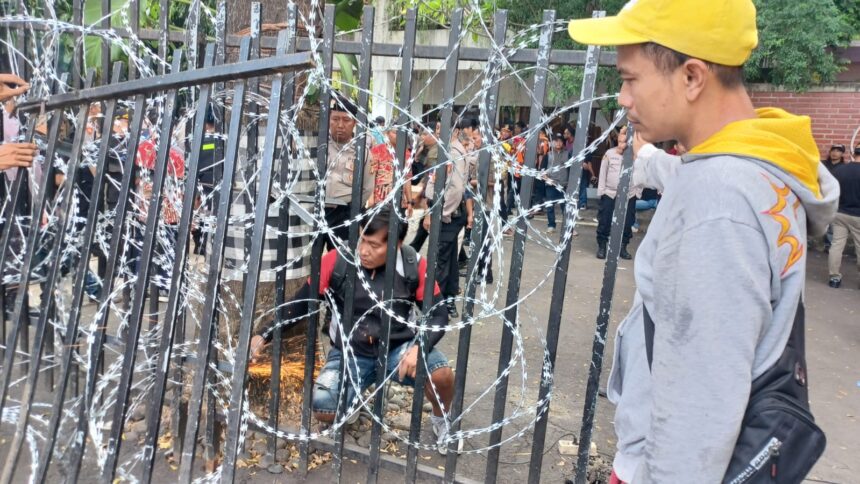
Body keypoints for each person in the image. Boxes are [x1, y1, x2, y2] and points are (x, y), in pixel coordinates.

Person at [568, 0, 839, 482]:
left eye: (630, 79)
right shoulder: (757, 169)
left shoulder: (718, 204)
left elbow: (699, 406)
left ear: (692, 76)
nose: (622, 98)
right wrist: (648, 156)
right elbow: (684, 175)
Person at [248, 208, 459, 454]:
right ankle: (353, 395)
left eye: (373, 245)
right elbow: (299, 304)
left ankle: (441, 418)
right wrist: (264, 334)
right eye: (362, 241)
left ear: (396, 244)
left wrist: (418, 347)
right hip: (350, 353)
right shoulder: (337, 261)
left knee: (442, 375)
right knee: (325, 409)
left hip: (398, 350)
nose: (364, 251)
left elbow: (439, 313)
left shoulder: (412, 264)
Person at [411, 116, 470, 318]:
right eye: (437, 127)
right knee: (450, 258)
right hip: (449, 212)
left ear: (455, 131)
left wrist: (438, 213)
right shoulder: (448, 149)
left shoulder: (452, 152)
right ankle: (449, 300)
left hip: (448, 214)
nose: (438, 131)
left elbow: (455, 189)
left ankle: (435, 306)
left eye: (443, 127)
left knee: (440, 261)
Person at [324, 94, 374, 251]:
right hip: (315, 210)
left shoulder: (362, 153)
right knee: (311, 261)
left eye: (346, 120)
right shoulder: (319, 146)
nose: (340, 125)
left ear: (354, 123)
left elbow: (367, 188)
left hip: (344, 214)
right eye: (335, 119)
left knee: (340, 262)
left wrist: (351, 209)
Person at [595, 125, 638, 260]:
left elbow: (641, 174)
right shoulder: (609, 154)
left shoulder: (635, 156)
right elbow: (603, 172)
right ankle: (602, 246)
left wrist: (638, 192)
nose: (621, 145)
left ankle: (623, 247)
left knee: (627, 222)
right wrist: (601, 191)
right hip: (609, 193)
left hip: (629, 194)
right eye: (619, 142)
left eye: (624, 143)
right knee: (605, 220)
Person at [827, 160, 860, 288]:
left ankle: (834, 278)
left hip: (840, 213)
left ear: (853, 154)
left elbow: (830, 190)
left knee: (836, 245)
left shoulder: (840, 170)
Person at [544, 133, 572, 235]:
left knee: (565, 206)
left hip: (564, 184)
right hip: (551, 184)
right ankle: (551, 225)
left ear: (563, 143)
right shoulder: (548, 154)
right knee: (550, 206)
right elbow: (542, 170)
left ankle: (568, 227)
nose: (558, 143)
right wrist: (546, 179)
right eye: (556, 141)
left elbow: (571, 169)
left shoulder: (567, 154)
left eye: (560, 141)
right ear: (552, 142)